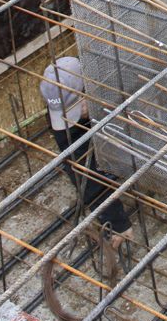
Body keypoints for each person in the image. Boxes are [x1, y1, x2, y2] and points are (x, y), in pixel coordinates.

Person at [40, 55, 133, 250]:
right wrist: (116, 221)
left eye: (75, 108)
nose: (69, 117)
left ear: (88, 88)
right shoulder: (59, 103)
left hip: (125, 118)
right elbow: (83, 171)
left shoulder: (115, 73)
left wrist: (98, 108)